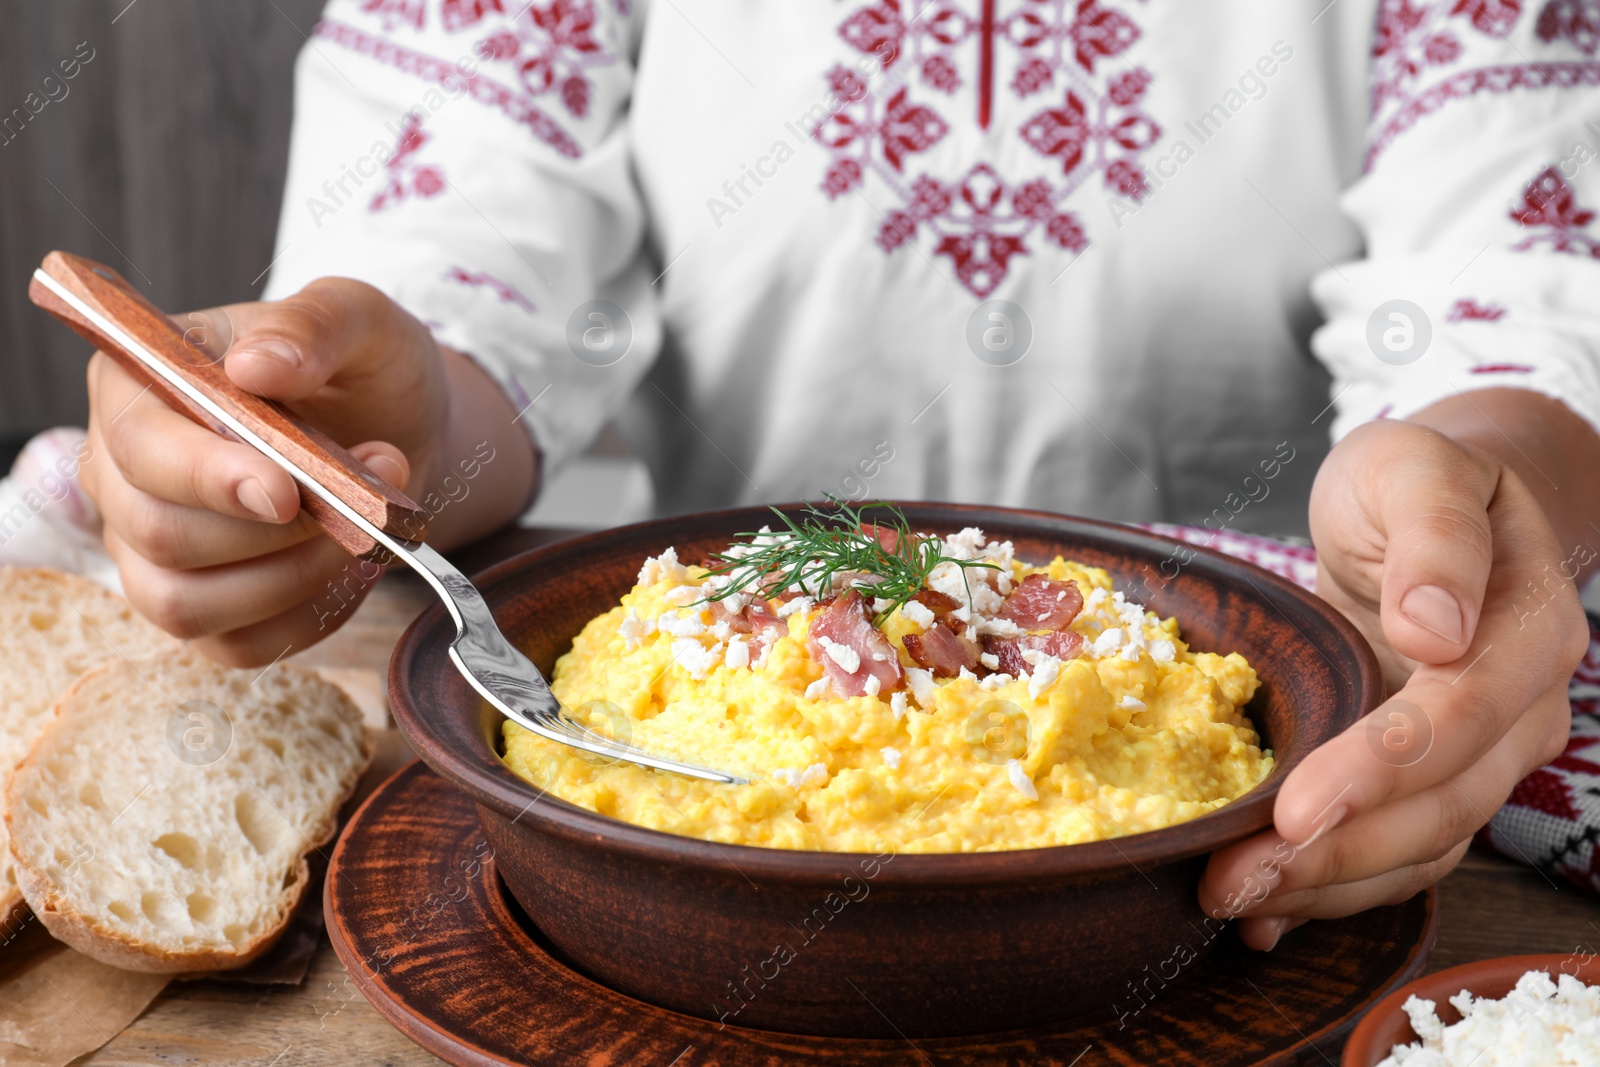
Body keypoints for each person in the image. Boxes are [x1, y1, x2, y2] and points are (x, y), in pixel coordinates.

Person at [79, 0, 1598, 952]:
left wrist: (1476, 490)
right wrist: (372, 436)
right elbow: (459, 297)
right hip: (684, 697)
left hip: (1257, 742)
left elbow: (1517, 286)